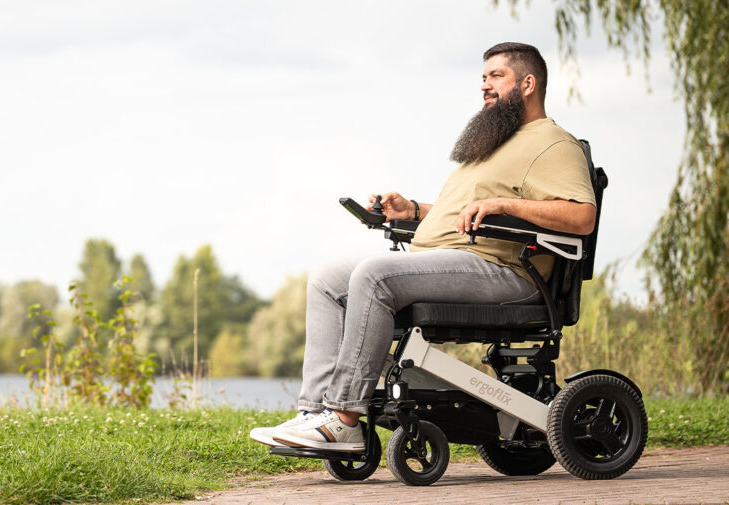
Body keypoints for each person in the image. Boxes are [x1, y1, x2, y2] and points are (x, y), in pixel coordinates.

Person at [249, 42, 598, 452]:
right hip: (452, 261)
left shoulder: (554, 143)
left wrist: (504, 204)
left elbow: (582, 217)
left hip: (506, 274)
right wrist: (413, 210)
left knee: (375, 275)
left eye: (496, 76)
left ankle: (344, 419)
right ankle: (315, 414)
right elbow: (465, 215)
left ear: (528, 84)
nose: (484, 85)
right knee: (328, 279)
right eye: (483, 77)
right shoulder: (496, 142)